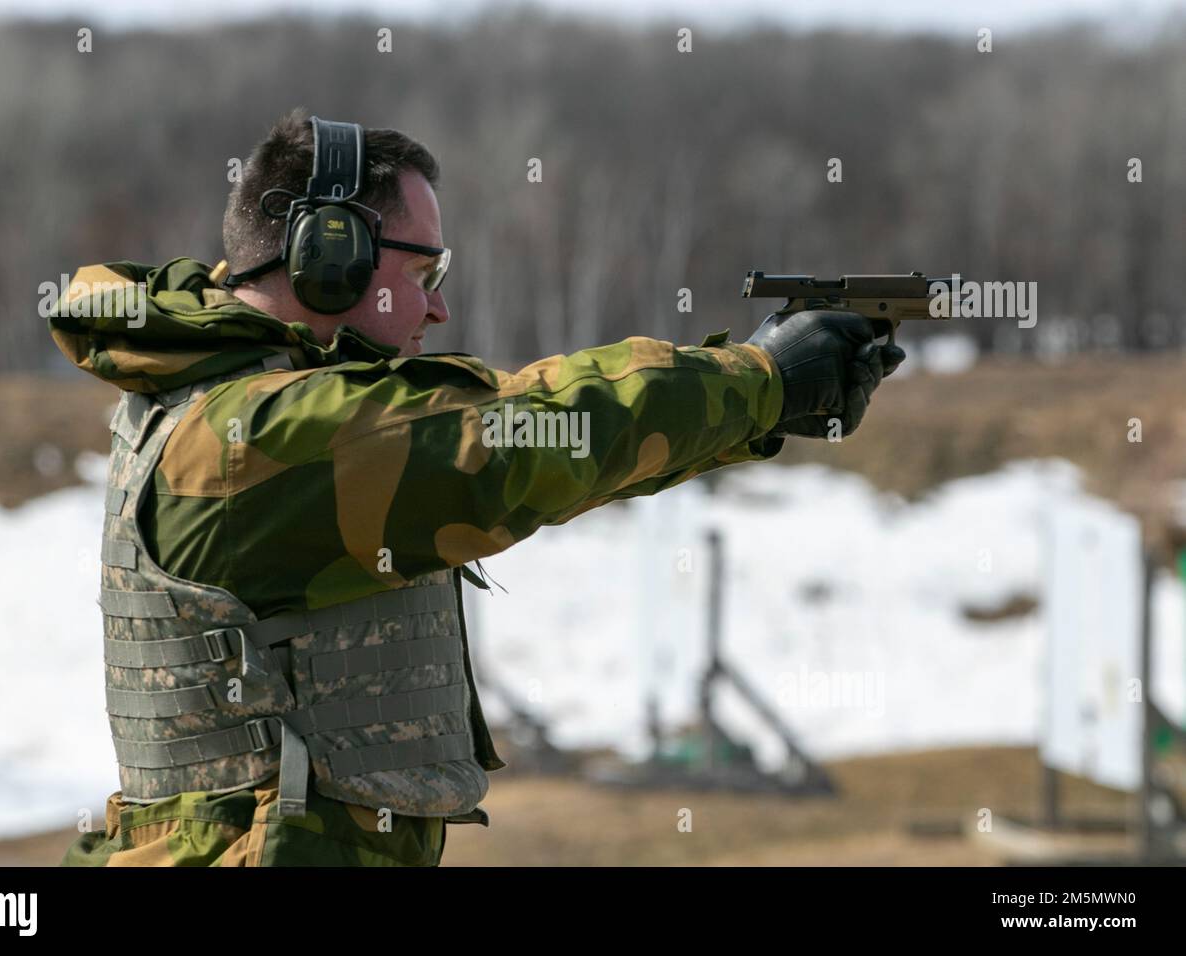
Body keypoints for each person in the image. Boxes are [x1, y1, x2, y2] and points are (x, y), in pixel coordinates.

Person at [51, 108, 903, 867]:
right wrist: (759, 383)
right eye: (425, 272)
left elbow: (548, 455)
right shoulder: (257, 439)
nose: (437, 311)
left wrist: (754, 401)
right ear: (330, 256)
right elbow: (517, 443)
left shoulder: (239, 411)